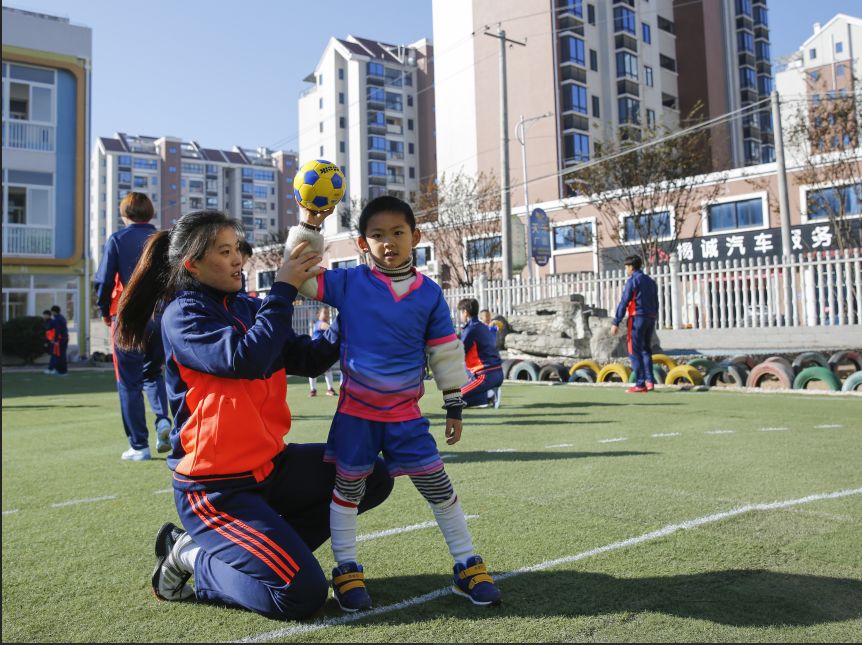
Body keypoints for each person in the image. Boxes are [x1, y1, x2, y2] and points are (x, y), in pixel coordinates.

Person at [114, 209, 394, 620]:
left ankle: (265, 557)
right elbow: (246, 358)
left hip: (268, 468)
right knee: (303, 597)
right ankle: (193, 559)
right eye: (225, 251)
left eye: (237, 249)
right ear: (192, 264)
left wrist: (355, 313)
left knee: (371, 475)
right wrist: (282, 289)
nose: (238, 259)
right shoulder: (183, 314)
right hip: (215, 491)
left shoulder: (246, 306)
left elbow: (309, 358)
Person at [285, 195, 502, 612]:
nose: (389, 242)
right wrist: (310, 223)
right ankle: (347, 570)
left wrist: (454, 405)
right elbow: (303, 272)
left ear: (415, 237)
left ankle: (466, 564)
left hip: (406, 417)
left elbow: (444, 351)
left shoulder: (430, 294)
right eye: (378, 235)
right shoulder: (349, 284)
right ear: (363, 244)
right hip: (355, 415)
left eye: (398, 233)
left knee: (439, 488)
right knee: (347, 492)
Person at [94, 192, 172, 461]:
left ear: (124, 213)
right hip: (161, 315)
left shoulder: (118, 239)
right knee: (154, 373)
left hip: (128, 317)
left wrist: (105, 311)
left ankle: (140, 446)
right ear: (150, 212)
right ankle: (163, 420)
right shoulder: (165, 238)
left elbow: (104, 281)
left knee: (129, 382)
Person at [610, 255, 659, 393]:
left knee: (634, 351)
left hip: (637, 318)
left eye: (626, 266)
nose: (626, 269)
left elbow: (624, 301)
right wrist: (653, 316)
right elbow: (656, 302)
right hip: (650, 318)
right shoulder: (650, 281)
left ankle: (640, 384)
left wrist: (616, 322)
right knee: (646, 350)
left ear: (631, 267)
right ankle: (650, 381)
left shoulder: (633, 281)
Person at [458, 299, 503, 409]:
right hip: (497, 372)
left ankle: (488, 395)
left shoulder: (471, 329)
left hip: (484, 375)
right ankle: (488, 395)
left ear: (465, 312)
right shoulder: (483, 327)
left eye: (460, 312)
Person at [308, 306, 337, 397]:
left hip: (322, 350)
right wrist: (337, 328)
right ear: (318, 315)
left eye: (328, 313)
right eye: (324, 313)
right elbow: (328, 327)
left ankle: (330, 389)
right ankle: (313, 390)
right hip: (314, 349)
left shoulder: (325, 324)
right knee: (312, 370)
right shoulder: (319, 323)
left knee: (327, 369)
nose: (327, 315)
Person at [49, 305, 69, 376]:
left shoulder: (57, 319)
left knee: (60, 355)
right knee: (60, 355)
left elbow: (58, 330)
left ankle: (62, 371)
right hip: (64, 338)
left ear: (54, 311)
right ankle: (60, 370)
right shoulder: (61, 318)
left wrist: (56, 340)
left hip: (61, 339)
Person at [42, 309, 57, 375]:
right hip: (51, 341)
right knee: (53, 355)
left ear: (48, 315)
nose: (44, 316)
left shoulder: (51, 322)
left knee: (54, 355)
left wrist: (51, 340)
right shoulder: (47, 322)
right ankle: (53, 368)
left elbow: (51, 332)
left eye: (45, 315)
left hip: (53, 341)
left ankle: (52, 368)